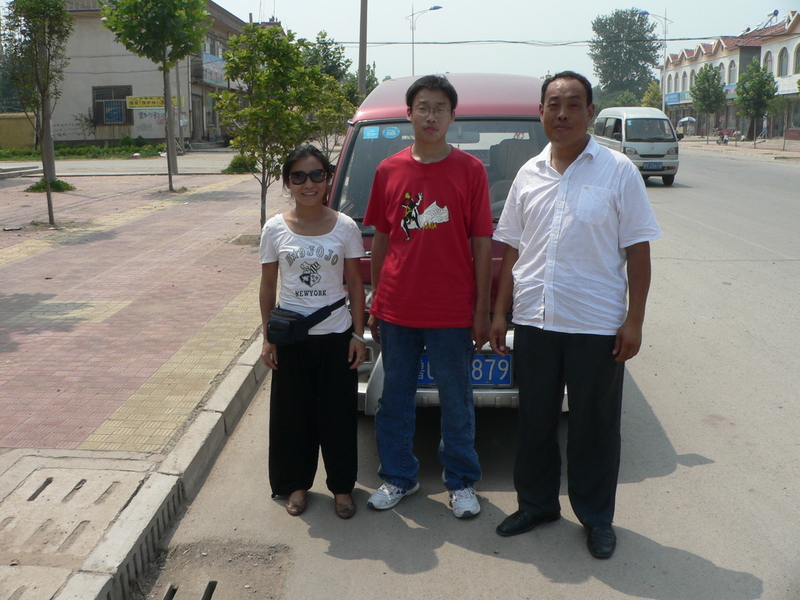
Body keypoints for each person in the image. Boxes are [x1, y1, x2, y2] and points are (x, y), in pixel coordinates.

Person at [489, 71, 661, 558]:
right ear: (540, 112)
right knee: (535, 422)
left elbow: (639, 250)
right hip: (536, 322)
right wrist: (500, 314)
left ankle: (597, 517)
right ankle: (538, 504)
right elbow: (512, 252)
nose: (562, 113)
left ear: (589, 112)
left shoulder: (618, 170)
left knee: (594, 427)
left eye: (573, 104)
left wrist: (635, 320)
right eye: (552, 104)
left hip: (596, 325)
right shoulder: (528, 173)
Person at [363, 74, 493, 518]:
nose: (431, 115)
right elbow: (382, 238)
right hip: (398, 308)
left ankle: (461, 482)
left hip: (452, 310)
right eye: (423, 107)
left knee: (457, 400)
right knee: (393, 399)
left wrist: (481, 308)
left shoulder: (471, 171)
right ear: (409, 114)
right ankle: (398, 476)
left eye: (440, 107)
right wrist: (377, 298)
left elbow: (481, 244)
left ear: (453, 115)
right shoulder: (389, 170)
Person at [259, 145, 366, 520]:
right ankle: (296, 485)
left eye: (317, 175)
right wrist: (267, 336)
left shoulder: (346, 226)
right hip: (291, 339)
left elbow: (355, 283)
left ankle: (341, 488)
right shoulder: (274, 228)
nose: (309, 184)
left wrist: (357, 334)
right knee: (293, 417)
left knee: (337, 416)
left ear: (328, 178)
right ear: (288, 182)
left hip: (336, 336)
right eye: (299, 176)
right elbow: (268, 284)